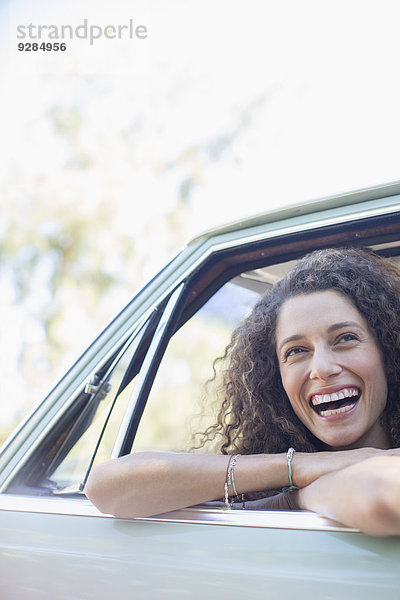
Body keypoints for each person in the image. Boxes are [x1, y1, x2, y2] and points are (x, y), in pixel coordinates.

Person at [85, 247, 400, 536]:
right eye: (296, 351)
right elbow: (106, 486)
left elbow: (381, 498)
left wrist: (303, 494)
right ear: (276, 377)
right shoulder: (269, 479)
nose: (321, 368)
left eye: (345, 338)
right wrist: (298, 468)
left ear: (388, 350)